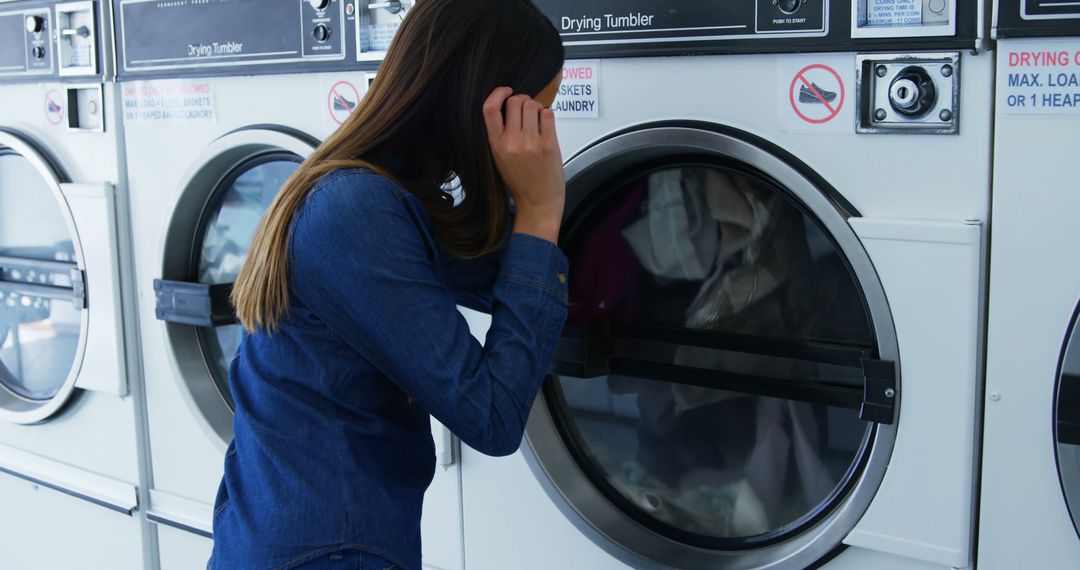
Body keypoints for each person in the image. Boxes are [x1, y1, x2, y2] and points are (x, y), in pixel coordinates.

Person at [208, 1, 568, 568]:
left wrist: (524, 206)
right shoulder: (356, 210)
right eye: (535, 116)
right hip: (330, 553)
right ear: (488, 104)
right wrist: (541, 207)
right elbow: (492, 417)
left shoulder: (367, 187)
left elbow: (496, 271)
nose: (541, 141)